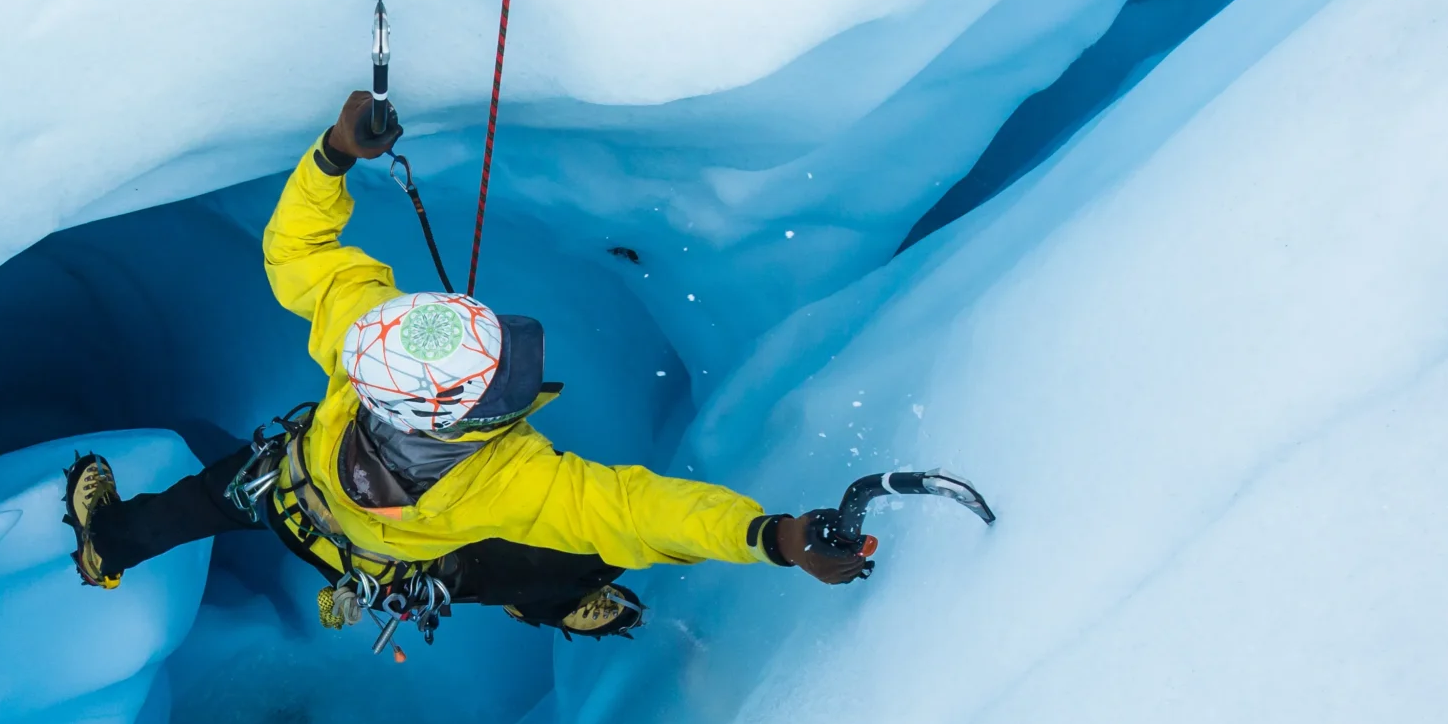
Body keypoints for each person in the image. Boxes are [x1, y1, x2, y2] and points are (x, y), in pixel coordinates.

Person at [63, 91, 867, 641]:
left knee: (201, 502)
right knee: (547, 556)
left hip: (294, 490)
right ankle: (560, 603)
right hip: (413, 550)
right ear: (456, 417)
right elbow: (640, 510)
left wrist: (336, 156)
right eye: (493, 383)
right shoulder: (508, 480)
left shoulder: (360, 340)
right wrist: (772, 536)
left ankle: (107, 544)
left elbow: (298, 247)